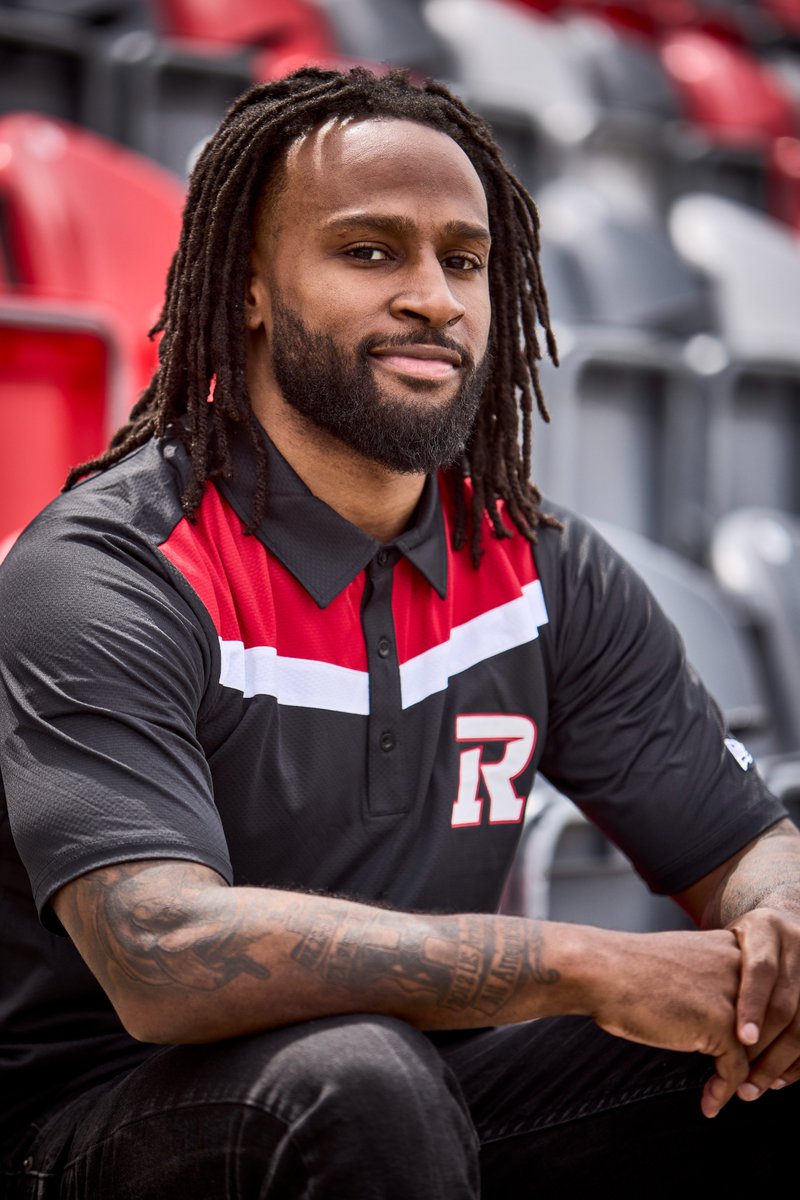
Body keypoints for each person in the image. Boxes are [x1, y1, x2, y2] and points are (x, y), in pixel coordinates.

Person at [0, 67, 798, 1199]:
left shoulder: (540, 566)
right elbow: (159, 955)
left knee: (764, 1030)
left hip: (424, 1093)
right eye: (369, 251)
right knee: (358, 1078)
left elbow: (742, 842)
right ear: (247, 292)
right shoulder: (111, 571)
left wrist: (778, 925)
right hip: (101, 1122)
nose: (434, 297)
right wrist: (582, 963)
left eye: (461, 260)